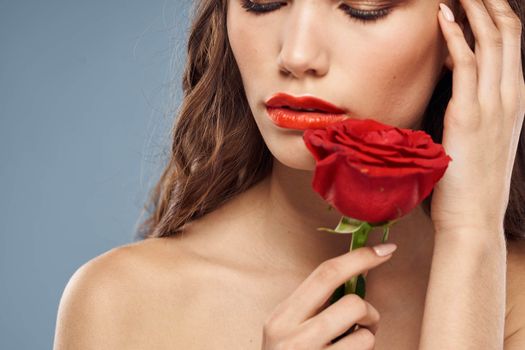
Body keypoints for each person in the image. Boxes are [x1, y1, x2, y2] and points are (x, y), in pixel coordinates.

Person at [53, 0, 525, 349]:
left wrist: (472, 231)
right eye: (264, 1)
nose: (296, 56)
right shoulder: (122, 305)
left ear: (462, 28)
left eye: (362, 7)